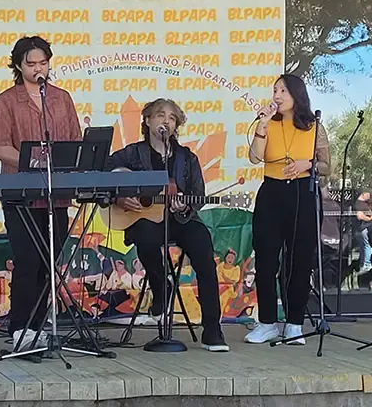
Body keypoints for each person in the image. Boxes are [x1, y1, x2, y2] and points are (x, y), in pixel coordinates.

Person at [105, 98, 228, 352]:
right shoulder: (131, 154)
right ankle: (162, 286)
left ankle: (212, 329)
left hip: (181, 220)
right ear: (148, 120)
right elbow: (103, 173)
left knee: (203, 246)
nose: (166, 121)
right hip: (145, 221)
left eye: (172, 118)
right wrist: (120, 197)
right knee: (145, 236)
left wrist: (184, 206)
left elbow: (198, 194)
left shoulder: (187, 158)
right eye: (161, 115)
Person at [0, 36, 82, 350]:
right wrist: (34, 161)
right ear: (18, 66)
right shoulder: (6, 101)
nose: (38, 69)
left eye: (43, 63)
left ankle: (39, 328)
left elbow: (75, 143)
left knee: (48, 262)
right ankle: (21, 329)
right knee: (27, 261)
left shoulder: (62, 99)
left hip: (56, 194)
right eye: (31, 64)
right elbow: (0, 148)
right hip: (20, 192)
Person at [246, 74, 330, 346]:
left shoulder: (314, 126)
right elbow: (254, 157)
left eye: (283, 90)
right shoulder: (269, 123)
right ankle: (267, 323)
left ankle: (294, 324)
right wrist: (262, 125)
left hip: (303, 193)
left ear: (297, 94)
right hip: (272, 192)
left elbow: (327, 166)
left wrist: (308, 164)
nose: (277, 96)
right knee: (266, 261)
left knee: (299, 261)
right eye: (274, 90)